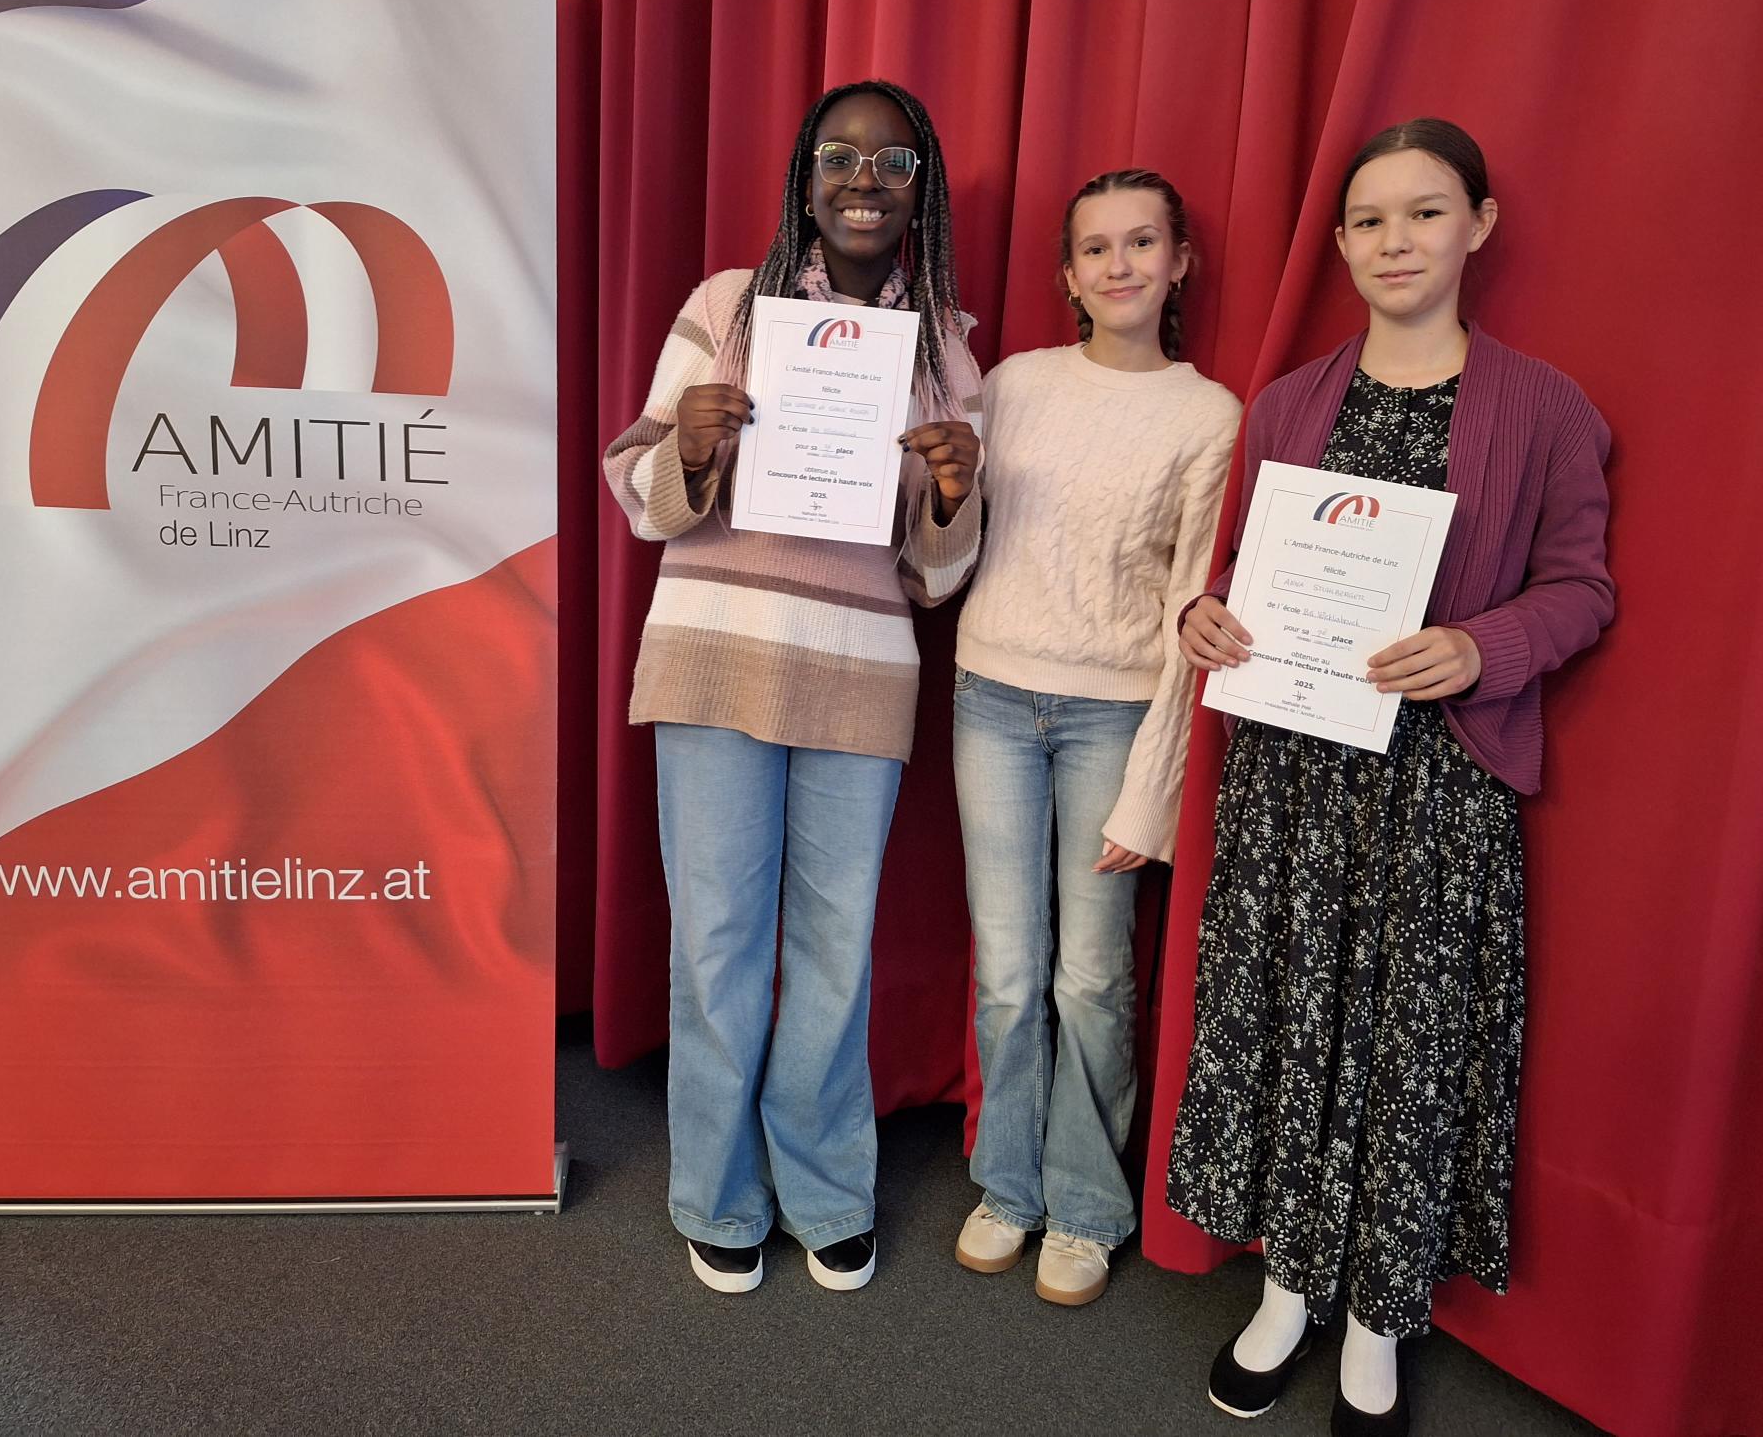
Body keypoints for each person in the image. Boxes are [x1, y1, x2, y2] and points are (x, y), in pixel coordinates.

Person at [1166, 118, 1614, 1436]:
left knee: (1408, 1049)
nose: (1395, 241)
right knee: (1288, 1025)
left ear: (1478, 226)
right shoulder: (1289, 404)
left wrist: (1484, 647)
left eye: (1424, 213)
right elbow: (1245, 573)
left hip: (1440, 789)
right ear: (1342, 242)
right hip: (1292, 783)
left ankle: (1377, 1314)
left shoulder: (1545, 408)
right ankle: (1288, 1287)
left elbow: (1582, 588)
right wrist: (1208, 614)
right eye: (1369, 220)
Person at [601, 79, 983, 1295]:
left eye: (893, 162)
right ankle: (717, 1193)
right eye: (840, 157)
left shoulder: (948, 350)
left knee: (833, 947)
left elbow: (936, 580)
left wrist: (955, 495)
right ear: (804, 179)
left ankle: (823, 1191)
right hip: (717, 657)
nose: (865, 180)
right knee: (716, 941)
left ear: (921, 189)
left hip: (859, 679)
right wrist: (688, 445)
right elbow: (636, 490)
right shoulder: (726, 306)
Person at [948, 170, 1239, 1307]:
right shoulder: (1013, 385)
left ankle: (1084, 1204)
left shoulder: (1209, 416)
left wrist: (1153, 791)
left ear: (1179, 263)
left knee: (1091, 977)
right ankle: (1006, 1187)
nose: (1120, 264)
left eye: (1142, 242)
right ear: (1068, 275)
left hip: (1113, 717)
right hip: (989, 698)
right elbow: (947, 532)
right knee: (1009, 970)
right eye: (1096, 248)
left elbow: (1189, 611)